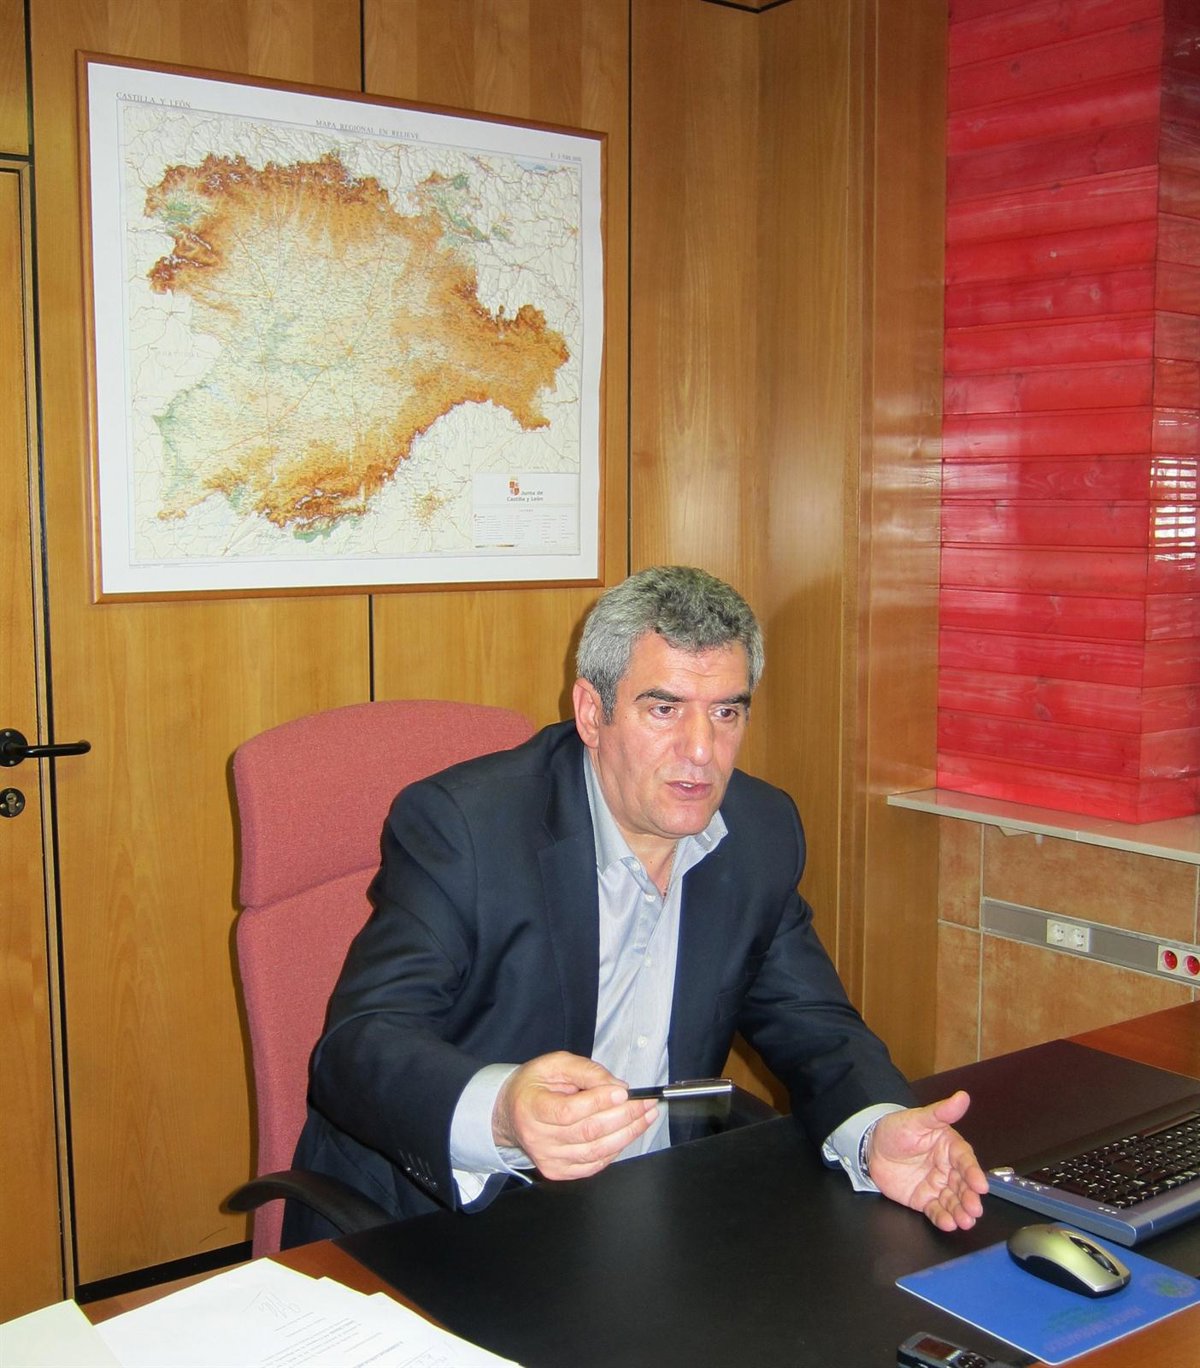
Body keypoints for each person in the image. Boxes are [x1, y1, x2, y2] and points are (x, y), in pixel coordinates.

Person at [283, 566, 988, 1247]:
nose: (702, 751)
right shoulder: (466, 828)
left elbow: (813, 1024)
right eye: (664, 709)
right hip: (448, 1217)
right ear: (593, 713)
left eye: (726, 712)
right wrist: (502, 1113)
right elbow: (360, 1045)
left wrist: (876, 1127)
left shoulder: (758, 832)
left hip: (644, 1215)